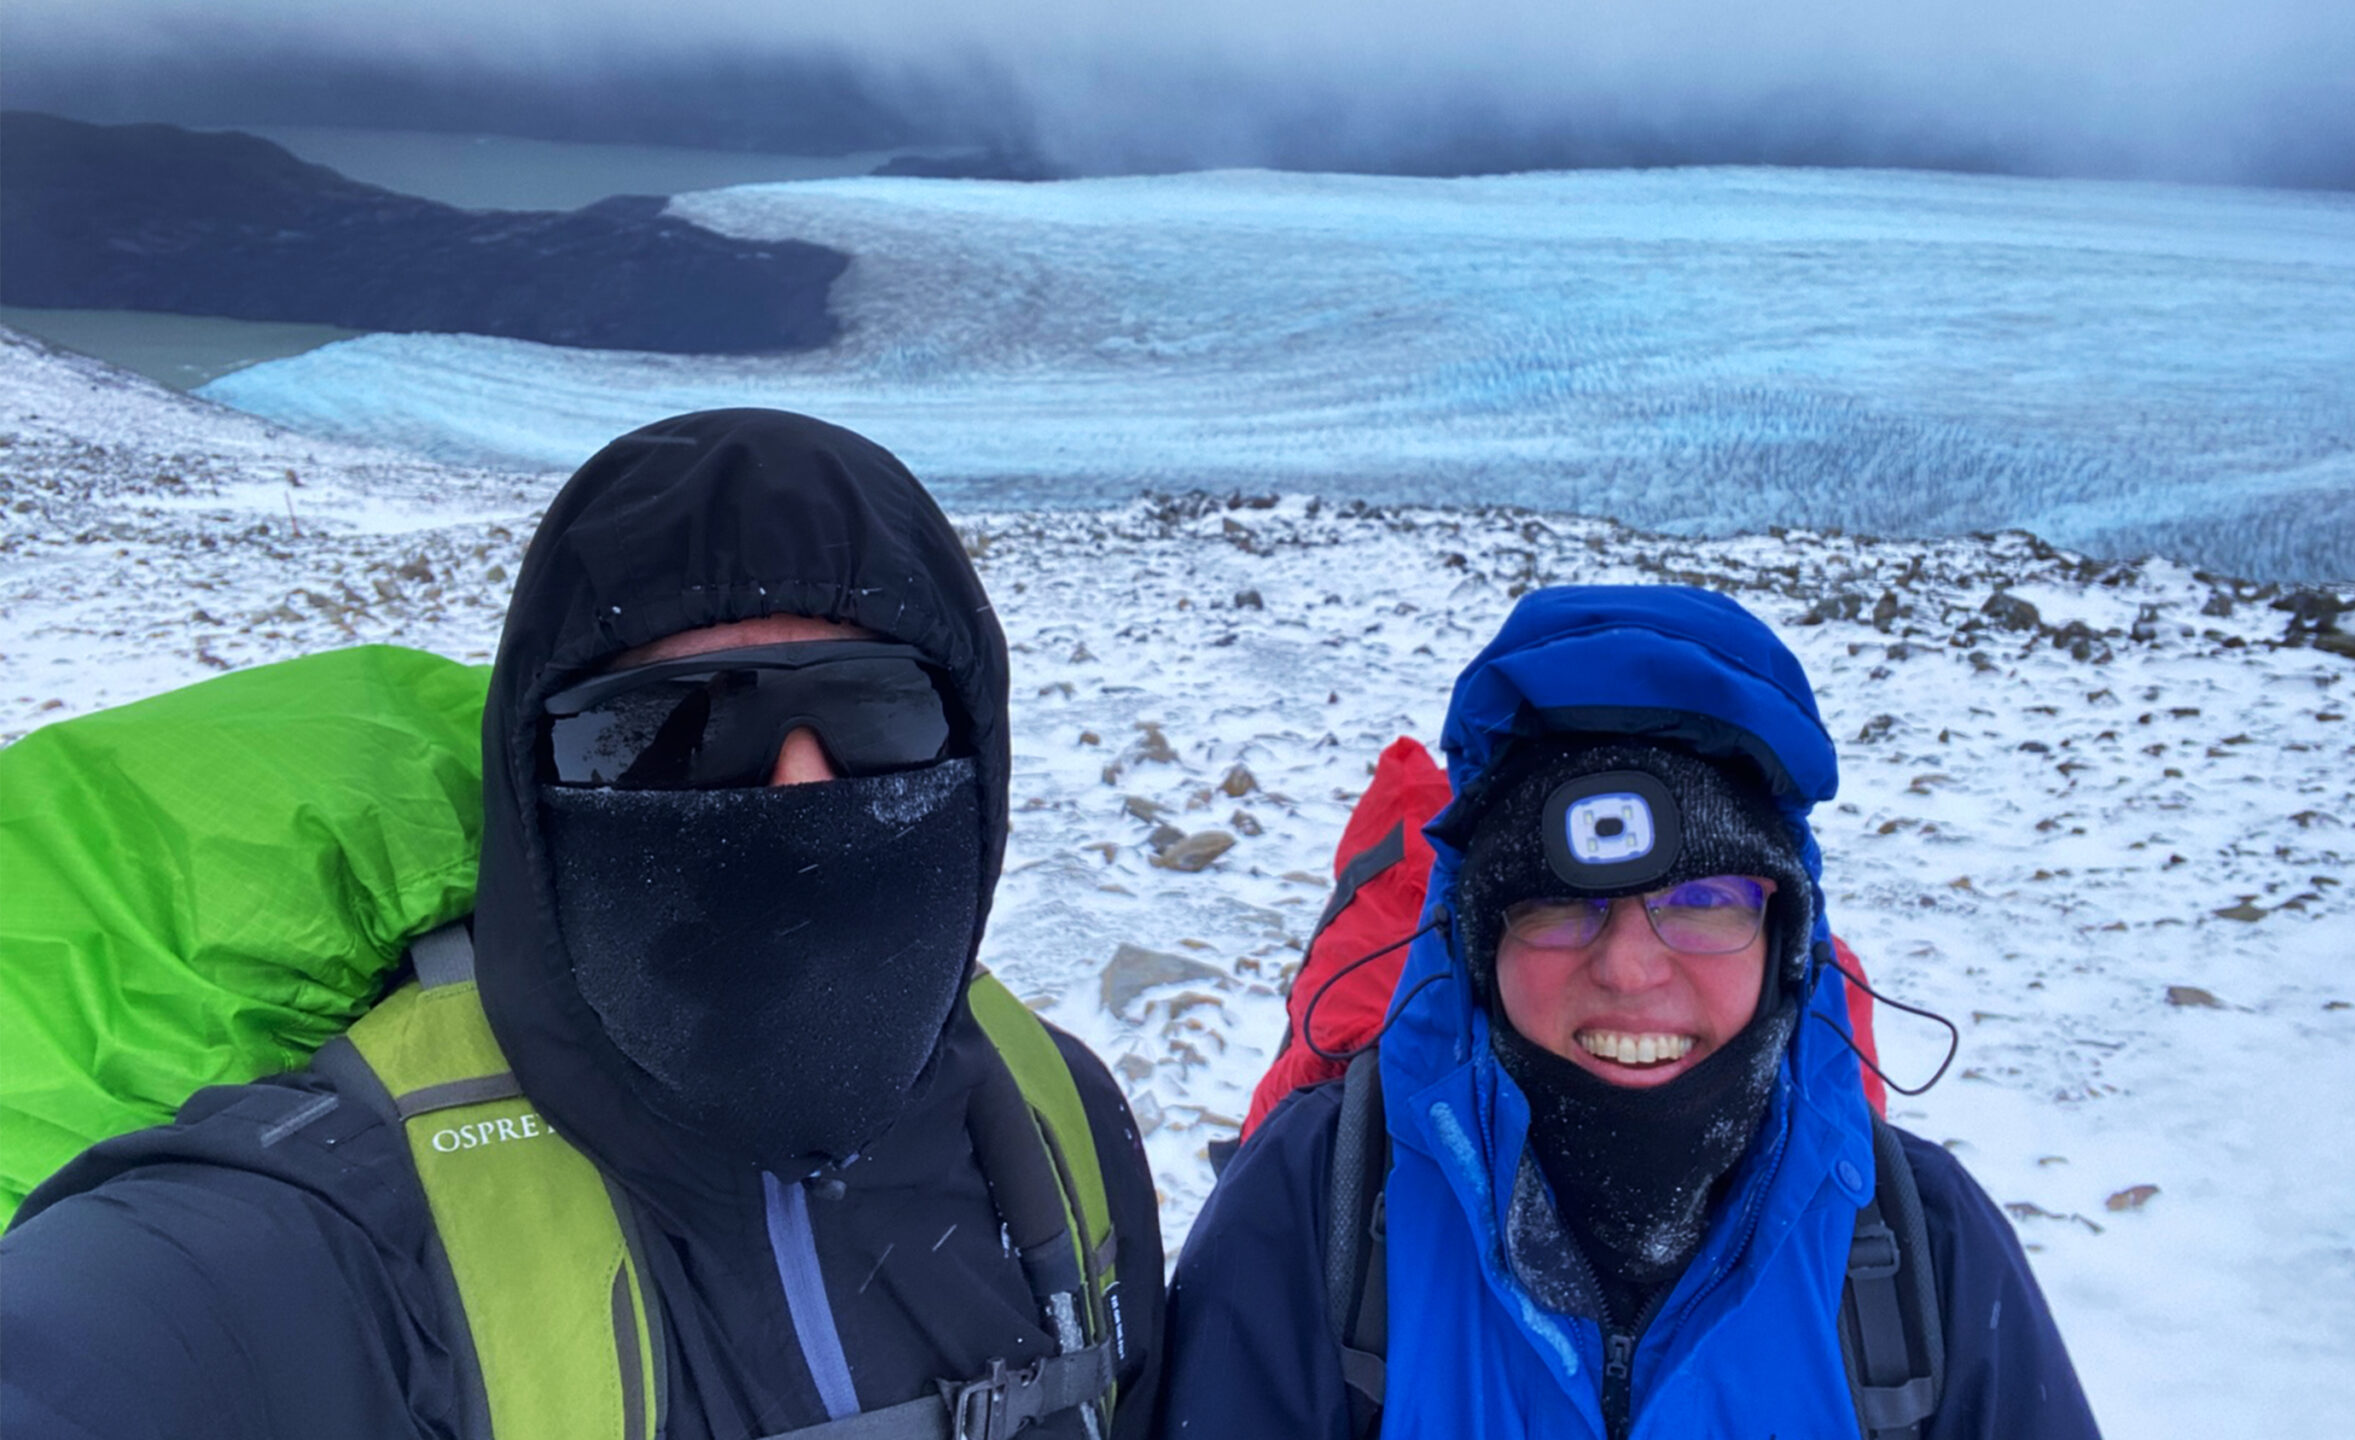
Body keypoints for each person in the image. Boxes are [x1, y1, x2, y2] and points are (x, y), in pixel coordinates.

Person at [0, 409, 1163, 1440]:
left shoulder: (1060, 1124)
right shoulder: (329, 1229)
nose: (803, 792)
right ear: (534, 787)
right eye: (672, 727)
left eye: (880, 709)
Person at [1160, 585, 2097, 1439]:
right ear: (1480, 945)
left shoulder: (1925, 1249)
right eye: (1562, 904)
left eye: (1701, 903)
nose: (1630, 967)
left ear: (1786, 944)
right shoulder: (1318, 1204)